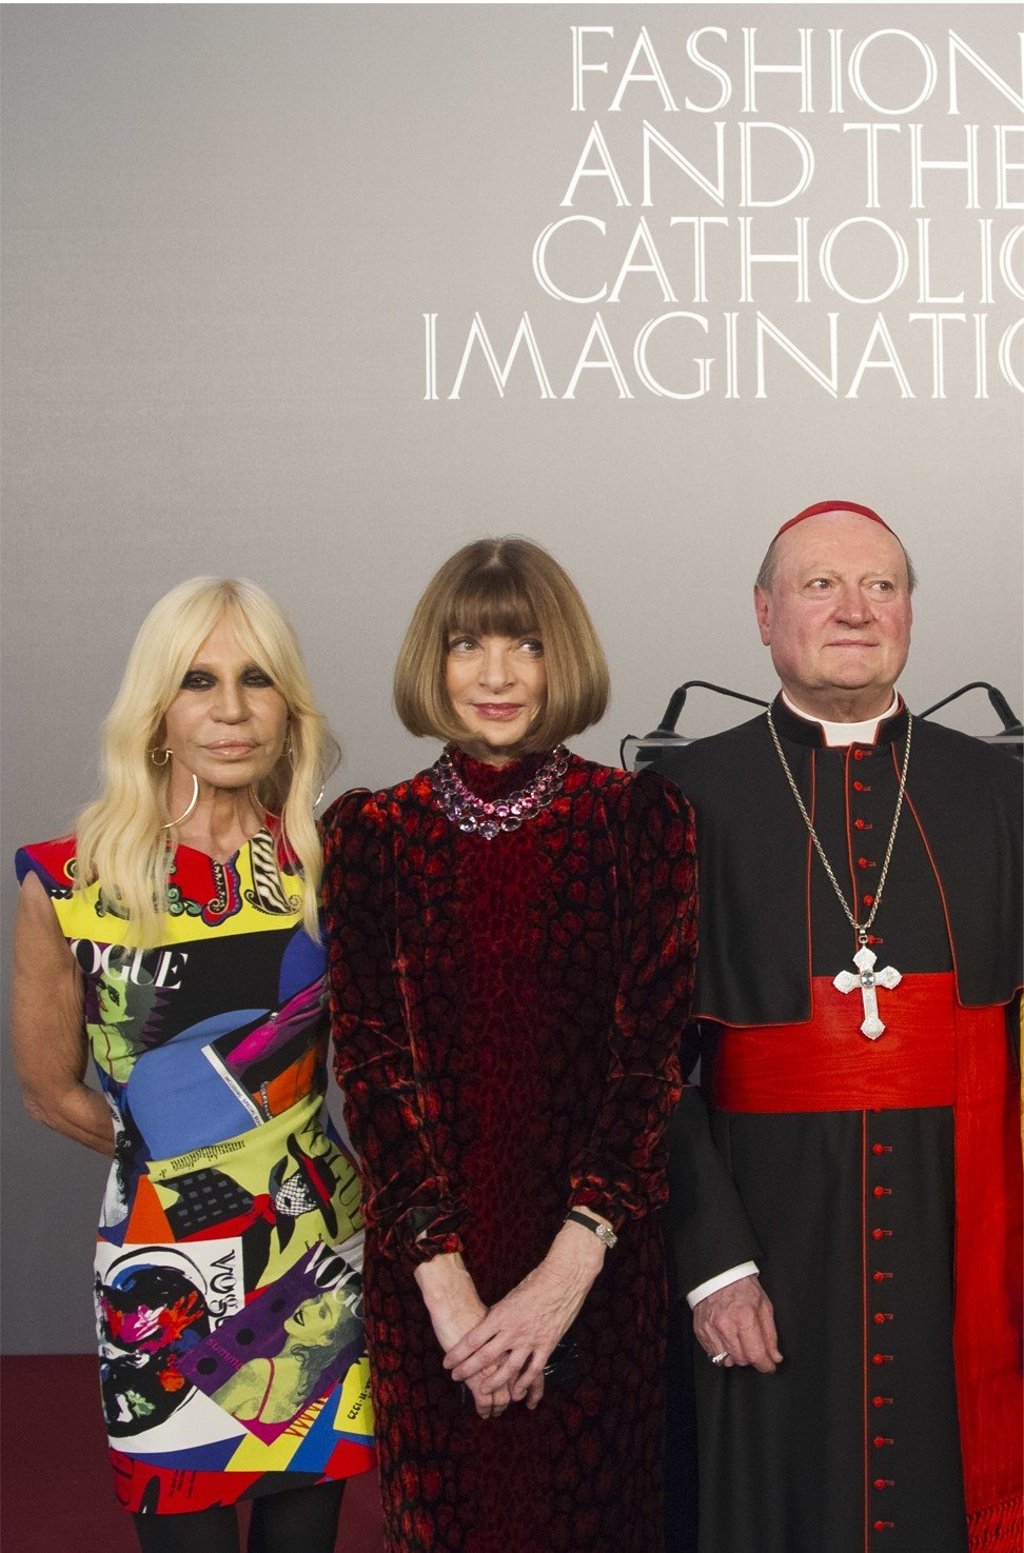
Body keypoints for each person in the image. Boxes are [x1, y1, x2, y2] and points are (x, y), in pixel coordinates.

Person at [656, 501, 1023, 1553]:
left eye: (881, 586)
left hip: (954, 1238)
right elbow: (634, 1064)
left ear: (910, 611)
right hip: (764, 1241)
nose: (854, 609)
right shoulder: (679, 798)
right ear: (764, 612)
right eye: (820, 585)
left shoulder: (999, 789)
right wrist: (714, 1256)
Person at [322, 537, 697, 1553]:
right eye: (466, 644)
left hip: (601, 1268)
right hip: (428, 1280)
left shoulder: (637, 819)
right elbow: (370, 1065)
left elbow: (652, 1061)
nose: (495, 675)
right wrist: (448, 1297)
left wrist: (566, 1274)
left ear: (560, 656)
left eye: (525, 644)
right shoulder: (369, 833)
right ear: (431, 662)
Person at [12, 577, 374, 1553]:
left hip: (318, 1253)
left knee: (305, 1529)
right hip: (158, 1268)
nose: (228, 707)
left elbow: (398, 1062)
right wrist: (174, 1162)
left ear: (287, 708)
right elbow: (50, 1088)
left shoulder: (334, 866)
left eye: (256, 679)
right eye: (198, 679)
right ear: (158, 709)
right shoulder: (70, 876)